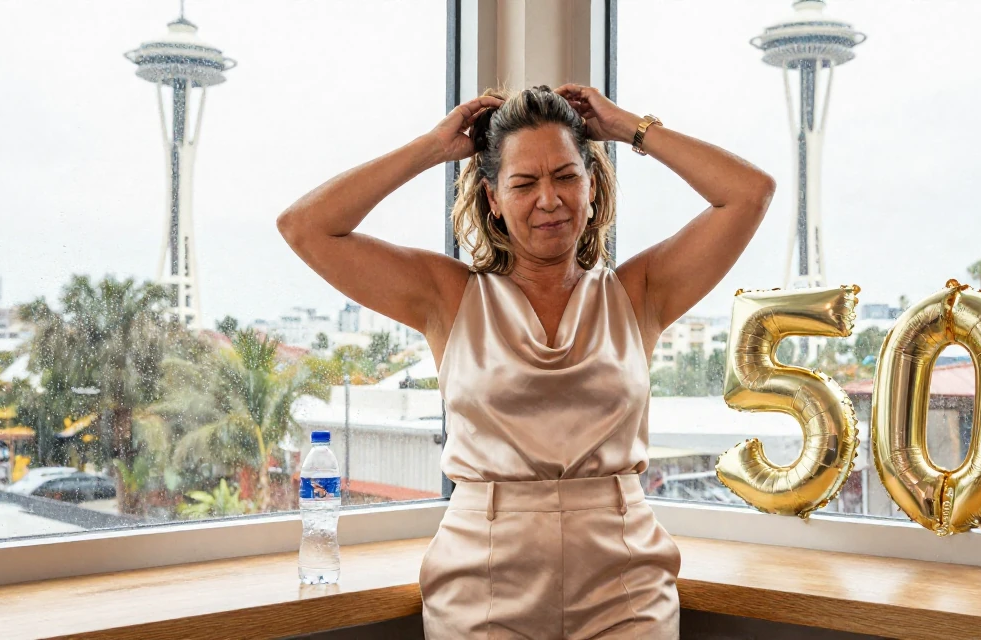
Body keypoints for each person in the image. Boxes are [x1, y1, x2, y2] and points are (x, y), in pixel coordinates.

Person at [277, 84, 774, 639]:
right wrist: (434, 147)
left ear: (591, 184)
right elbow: (306, 226)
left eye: (566, 176)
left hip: (624, 582)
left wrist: (629, 127)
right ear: (492, 197)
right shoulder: (446, 295)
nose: (549, 199)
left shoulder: (640, 292)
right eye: (524, 182)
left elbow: (749, 193)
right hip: (482, 580)